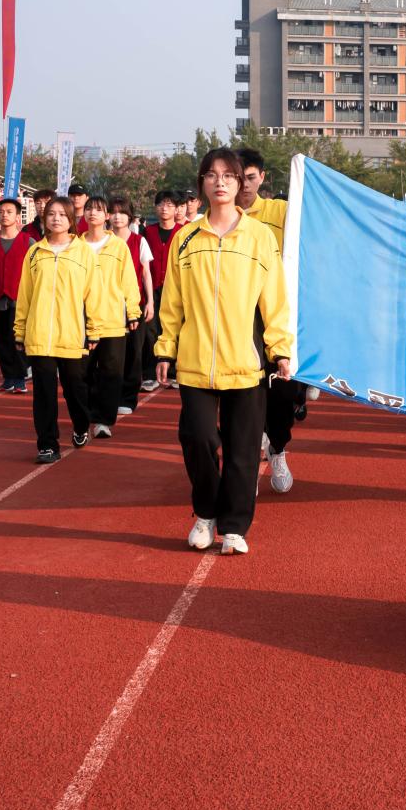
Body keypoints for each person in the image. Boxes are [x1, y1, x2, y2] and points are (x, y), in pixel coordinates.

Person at [154, 147, 293, 556]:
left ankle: (234, 526)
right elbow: (172, 301)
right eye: (212, 175)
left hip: (245, 361)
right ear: (202, 183)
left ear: (239, 182)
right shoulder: (185, 239)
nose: (220, 182)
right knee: (196, 438)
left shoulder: (259, 237)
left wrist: (280, 348)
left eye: (228, 175)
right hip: (195, 361)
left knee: (242, 449)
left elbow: (274, 299)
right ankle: (205, 513)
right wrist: (165, 349)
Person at [15, 196, 102, 463]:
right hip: (39, 333)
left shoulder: (83, 253)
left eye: (62, 214)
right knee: (44, 393)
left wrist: (94, 329)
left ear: (71, 220)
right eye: (51, 214)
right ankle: (47, 444)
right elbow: (25, 295)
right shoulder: (34, 253)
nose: (56, 219)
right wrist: (20, 330)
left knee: (75, 388)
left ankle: (80, 425)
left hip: (71, 334)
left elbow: (93, 294)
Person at [236, 148, 301, 493]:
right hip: (237, 321)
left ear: (262, 178)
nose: (245, 185)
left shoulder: (281, 212)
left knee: (282, 395)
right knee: (243, 396)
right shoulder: (219, 219)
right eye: (239, 178)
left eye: (251, 177)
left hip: (278, 316)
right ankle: (246, 462)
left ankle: (278, 449)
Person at [78, 196, 142, 439]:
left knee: (111, 372)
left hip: (113, 319)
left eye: (98, 209)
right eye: (88, 209)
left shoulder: (118, 246)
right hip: (82, 320)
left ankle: (103, 420)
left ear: (106, 216)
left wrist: (132, 311)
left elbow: (129, 280)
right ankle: (84, 415)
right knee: (81, 373)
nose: (92, 213)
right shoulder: (76, 245)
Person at [109, 196, 155, 416]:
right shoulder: (104, 241)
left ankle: (128, 397)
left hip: (135, 305)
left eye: (122, 212)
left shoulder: (139, 241)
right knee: (111, 355)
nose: (117, 217)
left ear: (130, 216)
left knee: (134, 352)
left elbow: (146, 274)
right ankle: (110, 395)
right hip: (108, 306)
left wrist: (150, 302)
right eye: (114, 212)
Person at [0, 197, 36, 393]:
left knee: (18, 338)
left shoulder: (28, 242)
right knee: (1, 340)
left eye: (9, 212)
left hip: (20, 298)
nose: (4, 215)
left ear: (17, 216)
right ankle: (8, 377)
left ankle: (20, 377)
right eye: (1, 212)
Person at [139, 191, 183, 390]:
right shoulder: (147, 232)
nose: (165, 208)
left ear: (177, 209)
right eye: (161, 204)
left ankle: (174, 371)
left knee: (175, 328)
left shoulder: (183, 232)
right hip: (152, 288)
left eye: (169, 205)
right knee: (151, 330)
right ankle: (150, 374)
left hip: (176, 288)